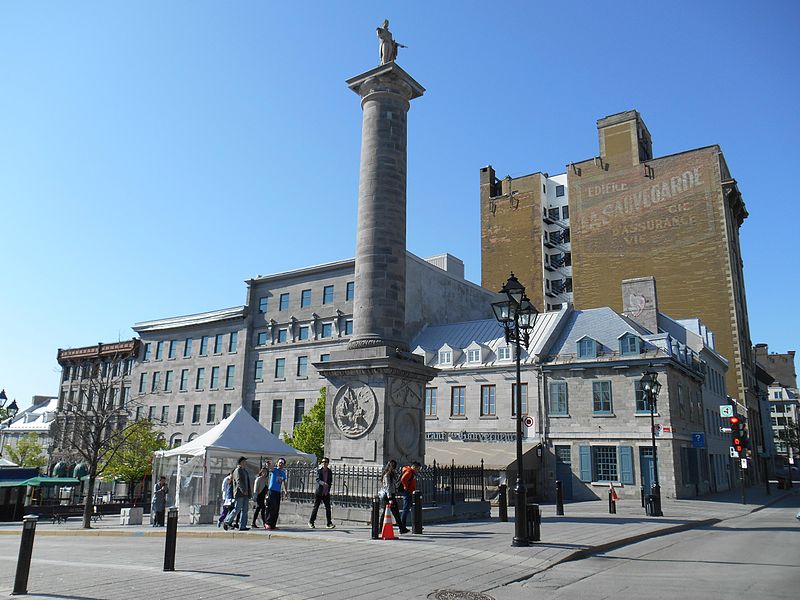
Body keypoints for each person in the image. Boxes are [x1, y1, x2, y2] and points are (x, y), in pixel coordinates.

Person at [378, 459, 408, 534]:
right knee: (393, 512)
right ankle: (401, 528)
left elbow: (396, 482)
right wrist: (390, 498)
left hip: (391, 495)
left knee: (393, 512)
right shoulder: (387, 475)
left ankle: (381, 528)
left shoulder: (391, 474)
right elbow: (388, 487)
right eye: (394, 467)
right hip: (389, 496)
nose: (395, 468)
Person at [223, 456, 251, 531]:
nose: (245, 463)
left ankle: (243, 526)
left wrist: (247, 492)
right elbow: (238, 481)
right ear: (241, 462)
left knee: (245, 510)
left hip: (246, 493)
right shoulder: (237, 470)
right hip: (240, 493)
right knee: (237, 508)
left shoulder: (244, 470)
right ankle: (227, 521)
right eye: (244, 461)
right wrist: (243, 490)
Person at [308, 457, 335, 529]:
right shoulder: (319, 471)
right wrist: (323, 483)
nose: (324, 463)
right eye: (323, 462)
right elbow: (317, 479)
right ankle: (311, 522)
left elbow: (330, 480)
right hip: (319, 492)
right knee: (316, 507)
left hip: (326, 492)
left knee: (328, 508)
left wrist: (328, 487)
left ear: (328, 463)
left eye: (325, 462)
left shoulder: (329, 471)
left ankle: (329, 523)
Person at [264, 457, 288, 530]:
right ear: (277, 463)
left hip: (278, 492)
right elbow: (270, 468)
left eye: (282, 463)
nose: (281, 464)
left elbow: (284, 482)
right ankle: (267, 523)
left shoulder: (283, 473)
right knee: (271, 507)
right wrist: (269, 463)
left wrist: (285, 491)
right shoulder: (275, 470)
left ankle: (273, 524)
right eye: (280, 462)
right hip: (272, 491)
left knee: (276, 509)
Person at [399, 461, 420, 531]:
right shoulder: (409, 472)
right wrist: (406, 487)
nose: (418, 471)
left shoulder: (411, 472)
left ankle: (416, 525)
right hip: (408, 492)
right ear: (414, 467)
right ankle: (402, 527)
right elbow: (403, 479)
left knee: (413, 509)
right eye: (418, 469)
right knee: (406, 509)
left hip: (410, 492)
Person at [252, 464, 270, 528]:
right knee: (261, 509)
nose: (264, 473)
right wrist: (255, 497)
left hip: (263, 496)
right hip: (259, 496)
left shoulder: (266, 479)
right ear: (261, 472)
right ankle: (264, 523)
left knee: (260, 509)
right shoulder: (258, 479)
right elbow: (255, 489)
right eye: (263, 472)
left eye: (266, 472)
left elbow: (267, 488)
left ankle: (255, 523)